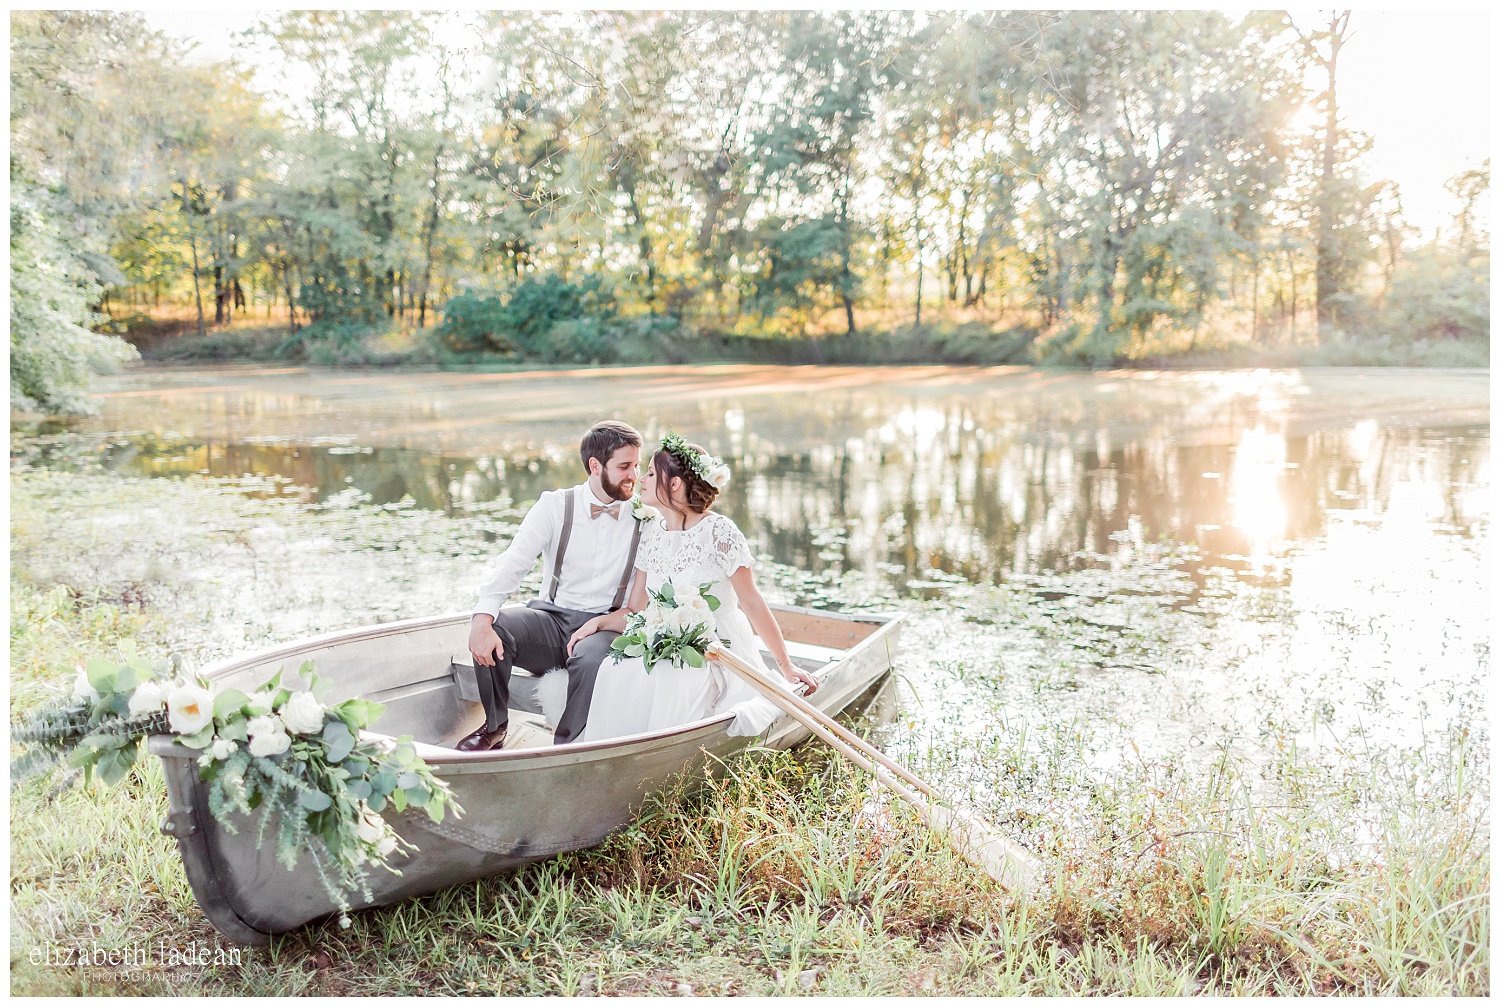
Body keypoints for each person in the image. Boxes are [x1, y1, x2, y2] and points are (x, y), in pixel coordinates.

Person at [569, 434, 819, 743]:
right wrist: (597, 623)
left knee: (667, 679)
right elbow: (637, 610)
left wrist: (786, 666)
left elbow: (752, 602)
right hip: (666, 642)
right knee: (614, 670)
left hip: (719, 649)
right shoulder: (652, 534)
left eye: (649, 472)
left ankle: (660, 758)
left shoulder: (719, 532)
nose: (640, 480)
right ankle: (612, 759)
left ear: (673, 484)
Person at [459, 420, 648, 750]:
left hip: (605, 626)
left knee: (590, 661)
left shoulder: (645, 517)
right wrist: (482, 618)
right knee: (497, 627)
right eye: (624, 466)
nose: (634, 475)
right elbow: (514, 560)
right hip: (551, 619)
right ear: (595, 465)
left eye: (636, 465)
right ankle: (495, 727)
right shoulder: (555, 505)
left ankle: (566, 747)